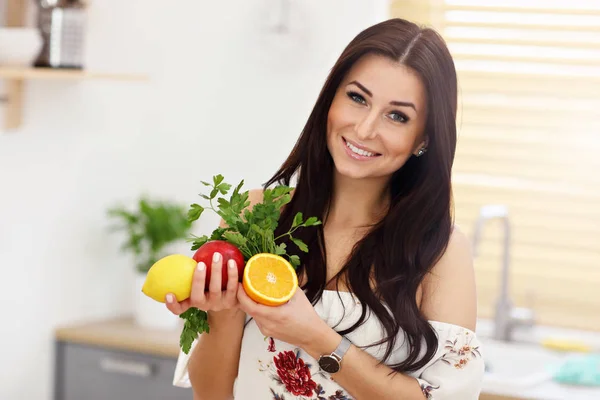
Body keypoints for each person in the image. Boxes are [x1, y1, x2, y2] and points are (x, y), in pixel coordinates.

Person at [167, 17, 484, 400]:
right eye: (357, 97)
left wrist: (315, 337)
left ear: (424, 139)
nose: (365, 129)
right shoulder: (256, 219)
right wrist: (224, 312)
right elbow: (213, 395)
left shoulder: (440, 251)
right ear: (330, 99)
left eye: (397, 116)